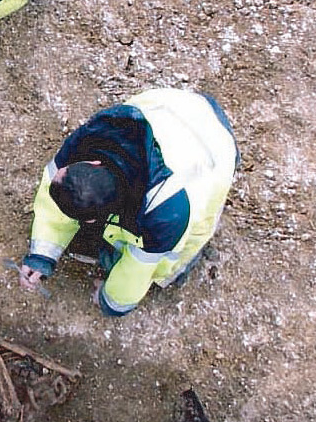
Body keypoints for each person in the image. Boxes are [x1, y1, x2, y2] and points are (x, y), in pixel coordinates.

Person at [18, 88, 238, 317]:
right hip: (173, 104)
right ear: (93, 163)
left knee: (169, 260)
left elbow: (138, 270)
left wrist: (109, 300)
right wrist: (41, 256)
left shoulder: (168, 211)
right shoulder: (90, 137)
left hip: (217, 152)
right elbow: (56, 193)